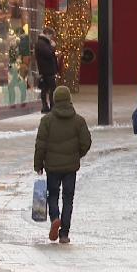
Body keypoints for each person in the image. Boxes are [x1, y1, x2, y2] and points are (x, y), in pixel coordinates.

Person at [33, 86, 93, 245]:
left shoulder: (46, 121)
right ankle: (64, 233)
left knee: (52, 195)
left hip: (52, 167)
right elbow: (86, 142)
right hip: (70, 168)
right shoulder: (79, 121)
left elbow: (40, 145)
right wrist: (76, 155)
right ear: (69, 100)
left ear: (54, 100)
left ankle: (55, 218)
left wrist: (38, 164)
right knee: (68, 199)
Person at [35, 28, 59, 114]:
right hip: (47, 70)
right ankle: (50, 106)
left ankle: (46, 106)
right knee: (51, 89)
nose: (52, 38)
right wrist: (52, 47)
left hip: (46, 70)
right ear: (47, 34)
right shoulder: (42, 43)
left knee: (45, 89)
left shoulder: (43, 42)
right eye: (51, 36)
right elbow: (48, 54)